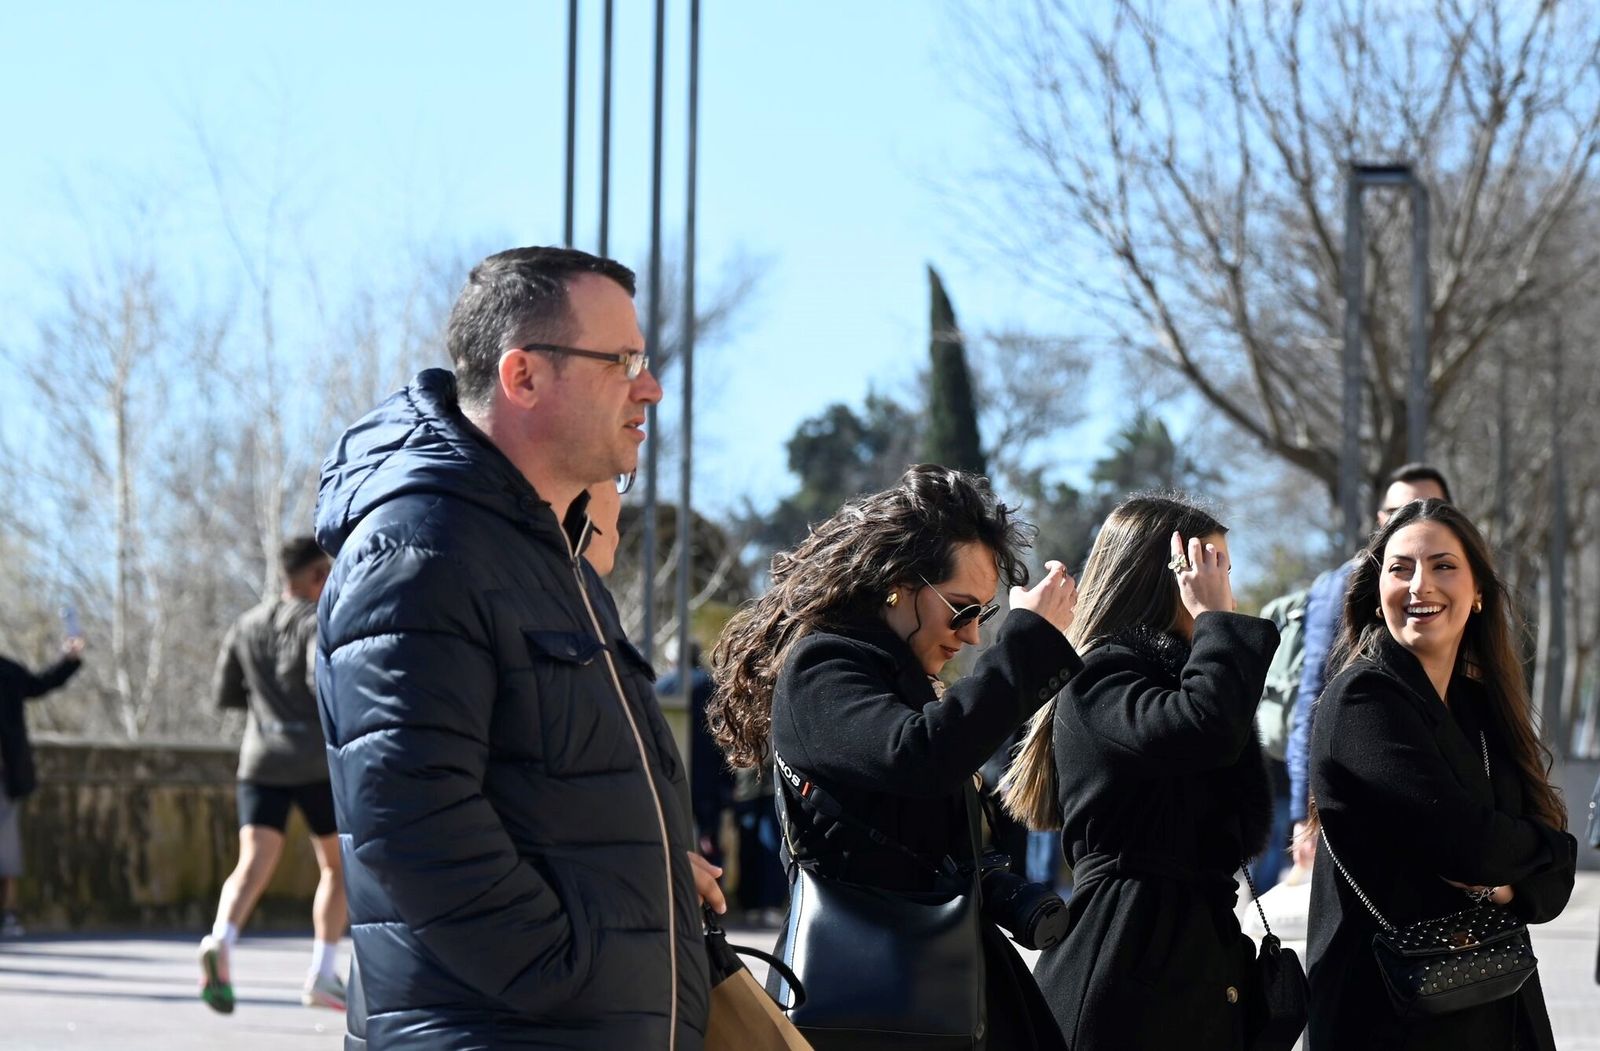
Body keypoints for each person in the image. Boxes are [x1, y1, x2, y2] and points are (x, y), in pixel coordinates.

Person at [315, 246, 718, 1050]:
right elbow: (412, 823)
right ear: (523, 376)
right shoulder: (419, 550)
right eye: (623, 360)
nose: (651, 386)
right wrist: (568, 966)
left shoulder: (547, 555)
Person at [710, 464, 1081, 1050]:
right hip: (874, 1002)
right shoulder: (822, 666)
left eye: (986, 615)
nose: (973, 636)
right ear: (897, 583)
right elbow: (919, 755)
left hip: (929, 989)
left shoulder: (886, 675)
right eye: (961, 609)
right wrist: (1028, 639)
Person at [1002, 494, 1281, 1051]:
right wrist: (1215, 622)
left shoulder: (1180, 676)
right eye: (1208, 569)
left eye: (1224, 570)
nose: (1223, 587)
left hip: (1192, 966)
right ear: (1165, 579)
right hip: (1125, 964)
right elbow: (1203, 730)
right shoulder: (1101, 675)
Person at [1305, 499, 1576, 1050]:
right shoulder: (1364, 698)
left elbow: (1548, 890)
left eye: (1444, 566)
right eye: (1400, 568)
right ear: (1377, 594)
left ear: (1477, 593)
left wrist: (1507, 881)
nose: (1420, 585)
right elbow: (1465, 843)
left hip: (1491, 1004)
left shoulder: (1481, 708)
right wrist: (1548, 851)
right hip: (1387, 1016)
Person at [198, 536, 340, 1014]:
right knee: (337, 868)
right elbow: (318, 681)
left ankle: (222, 938)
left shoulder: (245, 624)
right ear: (318, 576)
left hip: (259, 759)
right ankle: (322, 974)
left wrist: (266, 706)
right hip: (314, 762)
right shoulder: (315, 621)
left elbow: (226, 694)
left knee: (252, 863)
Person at [1287, 463, 1452, 871]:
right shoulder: (1339, 586)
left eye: (1428, 506)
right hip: (1358, 797)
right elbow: (1313, 696)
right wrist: (1305, 812)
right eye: (1398, 512)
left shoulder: (1461, 586)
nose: (1415, 518)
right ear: (1379, 521)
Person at [0, 635, 85, 937]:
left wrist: (69, 660)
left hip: (5, 778)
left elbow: (41, 684)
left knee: (7, 850)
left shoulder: (7, 672)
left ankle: (9, 914)